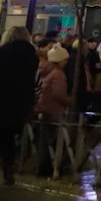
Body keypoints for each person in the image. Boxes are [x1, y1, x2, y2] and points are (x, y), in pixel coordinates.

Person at [0, 26, 37, 185]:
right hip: (20, 106)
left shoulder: (3, 53)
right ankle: (9, 170)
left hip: (2, 101)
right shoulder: (32, 56)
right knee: (9, 138)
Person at [34, 44, 70, 177]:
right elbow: (58, 94)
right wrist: (69, 101)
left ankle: (42, 167)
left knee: (45, 140)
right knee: (55, 140)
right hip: (54, 110)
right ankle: (52, 167)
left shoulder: (46, 71)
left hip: (44, 108)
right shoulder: (58, 74)